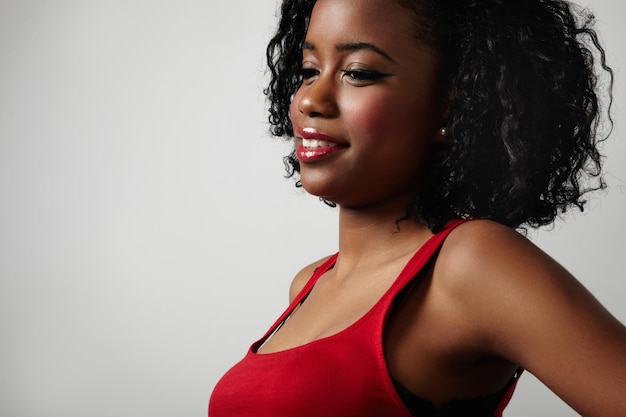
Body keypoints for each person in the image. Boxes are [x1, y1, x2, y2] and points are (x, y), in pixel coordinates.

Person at [209, 0, 626, 415]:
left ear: (449, 104)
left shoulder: (470, 264)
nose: (309, 101)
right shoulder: (308, 284)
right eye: (308, 71)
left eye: (358, 73)